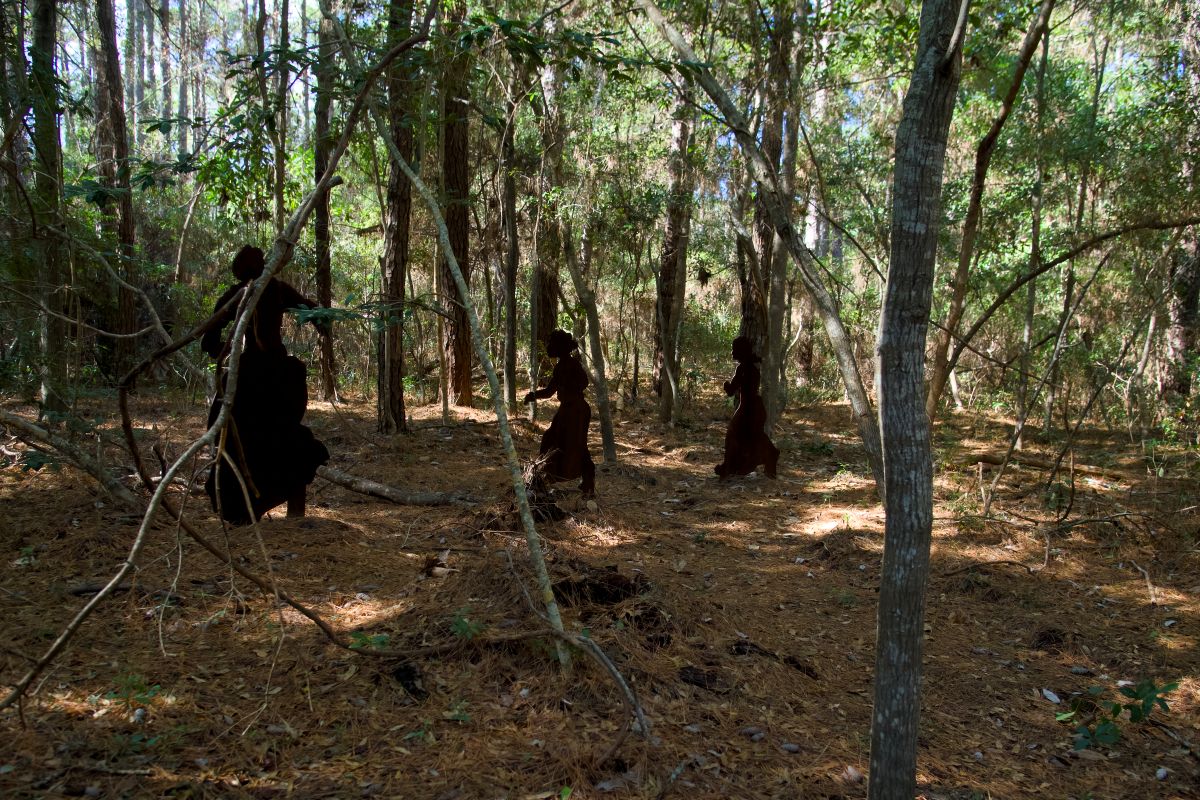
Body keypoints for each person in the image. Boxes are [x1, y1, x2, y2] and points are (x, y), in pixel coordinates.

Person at [202, 245, 330, 524]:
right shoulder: (257, 291)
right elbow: (209, 339)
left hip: (262, 374)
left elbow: (209, 341)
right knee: (263, 441)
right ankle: (258, 510)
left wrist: (223, 349)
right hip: (258, 374)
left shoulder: (263, 291)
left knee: (287, 439)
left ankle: (289, 514)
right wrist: (228, 349)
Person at [523, 329, 596, 496]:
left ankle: (588, 482)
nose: (549, 348)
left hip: (576, 410)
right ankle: (546, 476)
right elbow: (550, 391)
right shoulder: (560, 367)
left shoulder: (571, 364)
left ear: (560, 347)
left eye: (552, 344)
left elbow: (583, 383)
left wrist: (569, 388)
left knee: (577, 445)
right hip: (568, 410)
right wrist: (533, 396)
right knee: (551, 439)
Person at [715, 335, 779, 479]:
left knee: (733, 435)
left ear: (741, 351)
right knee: (753, 437)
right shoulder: (751, 368)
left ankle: (729, 467)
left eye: (734, 349)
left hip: (748, 409)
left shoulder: (742, 369)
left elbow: (731, 391)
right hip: (755, 408)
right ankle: (734, 465)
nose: (732, 353)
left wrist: (726, 385)